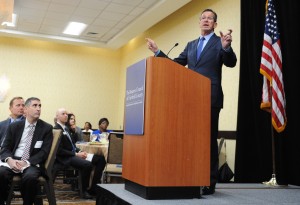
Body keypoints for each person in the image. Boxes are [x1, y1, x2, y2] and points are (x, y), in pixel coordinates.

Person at [146, 8, 237, 195]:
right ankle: (190, 177)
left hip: (210, 98)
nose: (206, 20)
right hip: (189, 100)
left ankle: (209, 183)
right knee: (190, 141)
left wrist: (226, 47)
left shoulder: (219, 42)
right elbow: (175, 65)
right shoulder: (191, 45)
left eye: (210, 18)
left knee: (208, 141)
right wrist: (157, 51)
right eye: (203, 17)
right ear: (199, 22)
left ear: (215, 24)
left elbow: (231, 62)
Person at [0, 97, 53, 205]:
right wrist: (10, 160)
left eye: (40, 106)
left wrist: (26, 162)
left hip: (32, 162)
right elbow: (5, 147)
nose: (38, 109)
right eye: (35, 105)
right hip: (13, 160)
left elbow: (44, 152)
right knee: (1, 173)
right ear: (26, 109)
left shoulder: (46, 128)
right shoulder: (14, 126)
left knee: (30, 177)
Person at [53, 108, 106, 198]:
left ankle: (93, 188)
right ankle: (84, 191)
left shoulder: (66, 128)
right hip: (66, 158)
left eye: (66, 113)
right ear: (57, 116)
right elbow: (59, 151)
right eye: (63, 114)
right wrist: (76, 154)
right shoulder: (56, 129)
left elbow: (72, 145)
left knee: (101, 160)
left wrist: (80, 151)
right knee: (87, 165)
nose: (66, 115)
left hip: (74, 154)